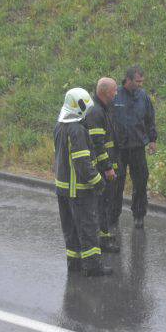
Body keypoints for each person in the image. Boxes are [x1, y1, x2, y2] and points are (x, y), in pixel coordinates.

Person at [54, 87, 112, 277]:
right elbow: (82, 162)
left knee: (70, 228)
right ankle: (93, 266)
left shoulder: (59, 126)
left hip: (63, 189)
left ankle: (75, 262)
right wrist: (98, 181)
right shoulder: (77, 130)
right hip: (79, 189)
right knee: (88, 226)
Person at [111, 65, 157, 229]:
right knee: (117, 183)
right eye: (138, 81)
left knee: (140, 182)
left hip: (137, 147)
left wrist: (152, 139)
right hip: (119, 149)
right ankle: (113, 216)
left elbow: (150, 118)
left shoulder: (143, 96)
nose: (140, 84)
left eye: (142, 81)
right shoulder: (115, 95)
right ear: (128, 80)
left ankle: (139, 215)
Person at [84, 77, 120, 253]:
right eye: (114, 90)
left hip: (107, 165)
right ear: (105, 92)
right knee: (101, 204)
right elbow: (98, 144)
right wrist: (107, 167)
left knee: (106, 203)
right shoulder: (96, 112)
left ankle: (104, 236)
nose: (116, 93)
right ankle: (101, 240)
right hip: (102, 169)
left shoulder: (104, 109)